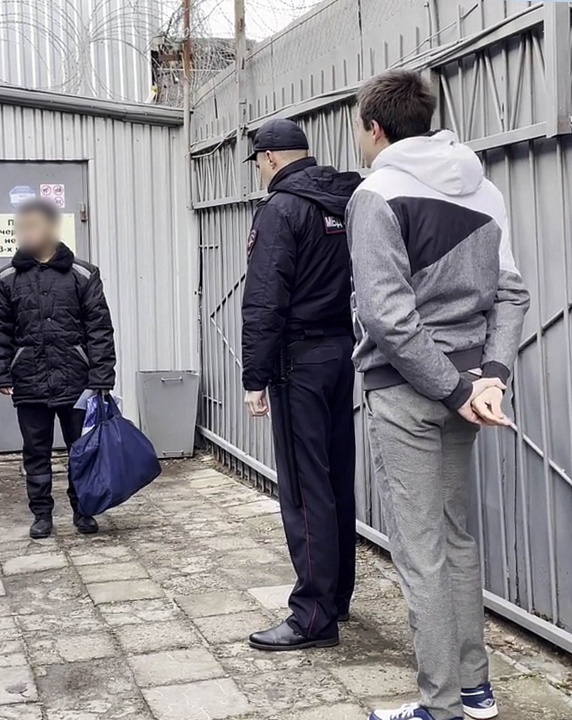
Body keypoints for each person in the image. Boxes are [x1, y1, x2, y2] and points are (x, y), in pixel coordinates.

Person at [347, 70, 529, 720]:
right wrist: (489, 378)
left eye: (359, 129)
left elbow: (387, 317)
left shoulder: (376, 194)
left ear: (375, 128)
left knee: (420, 549)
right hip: (468, 390)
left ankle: (440, 706)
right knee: (456, 539)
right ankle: (475, 692)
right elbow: (511, 293)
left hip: (409, 392)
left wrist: (454, 389)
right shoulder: (485, 190)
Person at [240, 119, 362, 652]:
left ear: (269, 158)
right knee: (334, 479)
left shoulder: (282, 209)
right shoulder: (345, 201)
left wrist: (255, 375)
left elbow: (265, 298)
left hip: (298, 361)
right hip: (339, 352)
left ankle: (313, 615)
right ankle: (336, 597)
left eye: (258, 163)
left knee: (304, 487)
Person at [0, 197, 116, 539]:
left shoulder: (83, 274)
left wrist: (101, 376)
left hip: (77, 381)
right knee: (36, 452)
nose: (28, 233)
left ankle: (83, 510)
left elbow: (99, 329)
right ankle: (41, 514)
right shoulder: (6, 278)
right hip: (29, 380)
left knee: (81, 450)